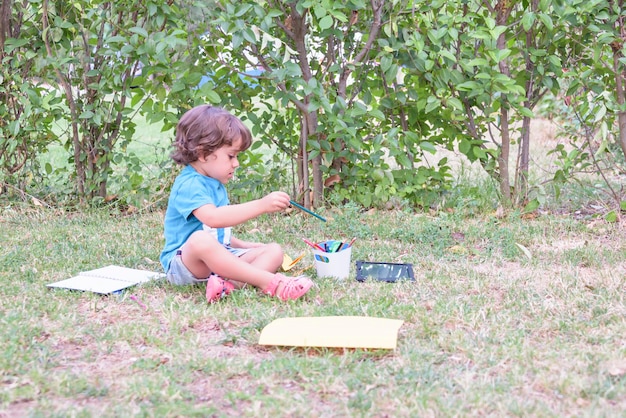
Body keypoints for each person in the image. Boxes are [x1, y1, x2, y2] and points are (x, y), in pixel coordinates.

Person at [159, 105, 313, 302]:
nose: (236, 163)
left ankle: (228, 286)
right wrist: (262, 204)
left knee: (273, 250)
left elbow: (218, 235)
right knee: (199, 240)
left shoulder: (214, 183)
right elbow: (212, 220)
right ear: (202, 153)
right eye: (231, 156)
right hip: (185, 264)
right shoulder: (189, 184)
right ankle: (270, 282)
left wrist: (247, 246)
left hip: (217, 259)